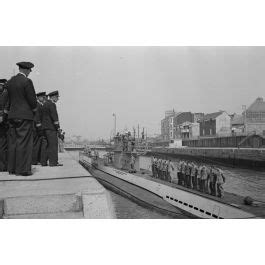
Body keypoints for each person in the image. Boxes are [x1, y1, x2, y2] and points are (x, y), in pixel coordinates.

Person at [4, 62, 37, 176]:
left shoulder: (10, 81)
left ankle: (12, 169)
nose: (29, 73)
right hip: (24, 116)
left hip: (12, 116)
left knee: (13, 142)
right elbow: (32, 101)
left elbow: (7, 99)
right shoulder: (27, 81)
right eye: (29, 71)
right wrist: (34, 110)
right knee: (24, 142)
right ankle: (22, 170)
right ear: (26, 70)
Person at [42, 90, 63, 166]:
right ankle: (53, 162)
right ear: (53, 97)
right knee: (53, 145)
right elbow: (54, 117)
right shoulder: (52, 104)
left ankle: (43, 162)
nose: (58, 99)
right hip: (51, 128)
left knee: (46, 146)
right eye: (57, 97)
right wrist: (58, 128)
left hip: (44, 128)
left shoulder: (45, 104)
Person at [32, 92, 45, 165]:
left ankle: (35, 160)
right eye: (42, 97)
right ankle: (34, 160)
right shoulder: (37, 105)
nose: (44, 99)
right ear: (38, 97)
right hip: (36, 128)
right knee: (36, 145)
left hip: (36, 127)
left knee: (37, 144)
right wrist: (39, 127)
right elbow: (37, 117)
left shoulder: (39, 105)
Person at [0, 79, 8, 172]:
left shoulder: (3, 94)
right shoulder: (4, 95)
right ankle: (3, 166)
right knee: (2, 145)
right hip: (2, 122)